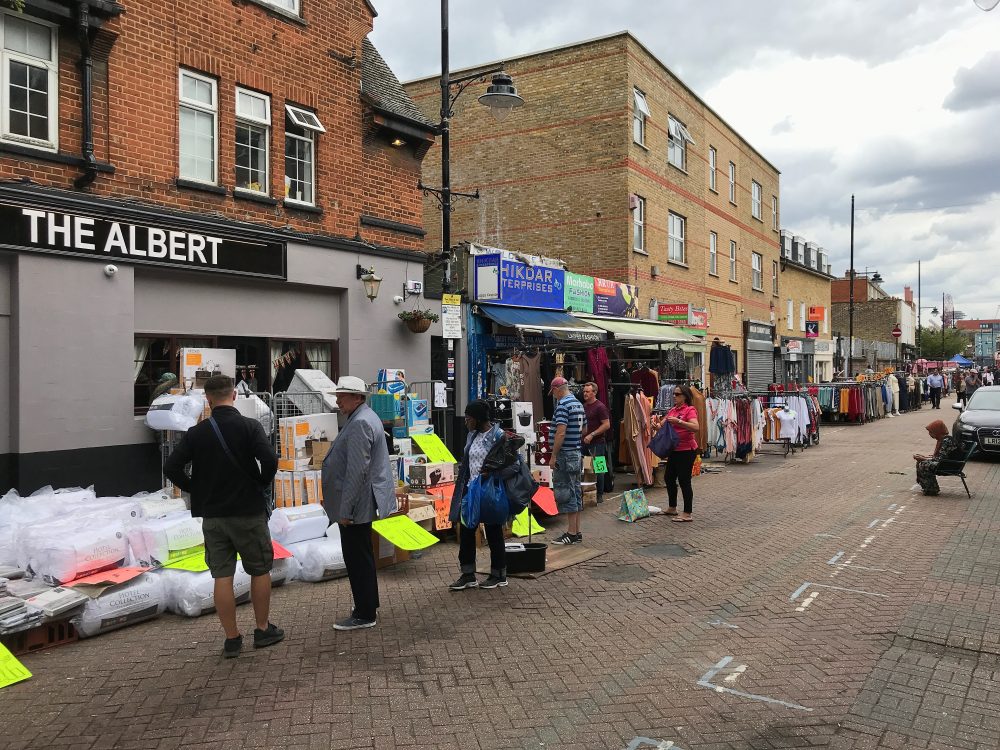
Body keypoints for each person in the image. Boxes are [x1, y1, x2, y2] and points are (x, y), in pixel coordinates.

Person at [163, 374, 283, 659]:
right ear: (234, 396)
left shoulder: (197, 433)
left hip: (213, 515)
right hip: (247, 511)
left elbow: (172, 466)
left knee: (222, 575)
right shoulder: (249, 427)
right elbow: (270, 460)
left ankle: (232, 638)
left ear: (208, 400)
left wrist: (195, 487)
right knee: (259, 569)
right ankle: (262, 629)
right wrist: (262, 482)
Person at [321, 375, 397, 631]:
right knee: (360, 556)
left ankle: (364, 612)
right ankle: (366, 607)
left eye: (342, 396)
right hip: (360, 501)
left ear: (357, 397)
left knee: (357, 557)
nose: (338, 401)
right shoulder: (365, 417)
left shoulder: (360, 422)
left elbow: (356, 471)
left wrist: (346, 510)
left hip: (356, 504)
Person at [449, 400, 512, 591]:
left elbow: (513, 464)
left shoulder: (499, 436)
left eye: (468, 419)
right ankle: (468, 574)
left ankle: (499, 574)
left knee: (493, 531)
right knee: (467, 530)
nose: (466, 422)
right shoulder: (471, 435)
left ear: (477, 419)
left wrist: (492, 473)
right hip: (472, 489)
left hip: (491, 490)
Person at [549, 377, 586, 545]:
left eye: (554, 392)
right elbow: (584, 429)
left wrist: (554, 455)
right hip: (576, 452)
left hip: (565, 454)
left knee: (567, 491)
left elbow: (560, 432)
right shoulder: (578, 404)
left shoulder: (563, 406)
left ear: (557, 389)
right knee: (576, 490)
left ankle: (571, 533)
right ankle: (576, 531)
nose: (554, 396)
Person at [658, 384, 700, 522]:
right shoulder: (672, 410)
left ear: (685, 396)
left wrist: (679, 422)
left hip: (687, 450)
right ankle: (672, 507)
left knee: (684, 480)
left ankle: (687, 513)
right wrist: (655, 425)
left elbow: (695, 427)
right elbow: (661, 425)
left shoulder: (690, 410)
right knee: (669, 477)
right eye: (674, 394)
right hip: (674, 449)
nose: (674, 396)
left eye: (677, 394)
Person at [580, 382, 612, 504]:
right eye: (584, 391)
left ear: (594, 392)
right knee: (585, 468)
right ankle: (588, 492)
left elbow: (606, 424)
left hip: (598, 442)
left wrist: (592, 434)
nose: (585, 394)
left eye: (587, 391)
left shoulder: (600, 407)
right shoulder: (583, 406)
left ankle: (599, 494)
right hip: (584, 442)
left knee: (599, 468)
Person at [914, 420, 964, 496]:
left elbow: (939, 459)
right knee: (922, 462)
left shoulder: (946, 441)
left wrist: (923, 459)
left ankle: (932, 489)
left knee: (923, 464)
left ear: (937, 431)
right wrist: (924, 458)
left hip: (951, 465)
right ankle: (929, 488)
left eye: (931, 432)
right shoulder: (943, 439)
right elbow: (939, 456)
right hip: (948, 462)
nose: (929, 434)